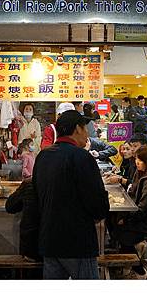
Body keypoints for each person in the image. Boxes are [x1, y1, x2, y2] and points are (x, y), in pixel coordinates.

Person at [33, 110, 110, 279]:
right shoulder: (82, 157)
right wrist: (100, 213)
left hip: (49, 240)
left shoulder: (43, 157)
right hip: (77, 242)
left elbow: (37, 196)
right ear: (77, 129)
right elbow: (97, 201)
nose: (87, 133)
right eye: (85, 128)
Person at [108, 145, 147, 278]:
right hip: (138, 215)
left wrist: (125, 218)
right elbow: (132, 189)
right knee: (111, 220)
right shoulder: (139, 173)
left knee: (121, 229)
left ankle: (137, 267)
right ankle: (126, 258)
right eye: (136, 159)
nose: (137, 162)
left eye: (140, 160)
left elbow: (143, 210)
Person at [5, 178, 41, 263]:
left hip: (31, 251)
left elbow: (10, 207)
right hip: (54, 251)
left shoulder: (29, 183)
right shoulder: (60, 185)